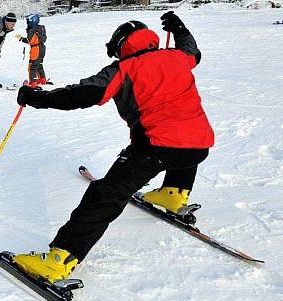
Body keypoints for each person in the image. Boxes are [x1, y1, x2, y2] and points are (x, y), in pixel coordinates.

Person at [13, 12, 214, 284]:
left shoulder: (123, 69)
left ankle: (60, 259)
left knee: (105, 195)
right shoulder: (178, 57)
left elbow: (82, 95)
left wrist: (37, 98)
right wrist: (179, 28)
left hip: (154, 149)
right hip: (200, 146)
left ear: (120, 46)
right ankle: (174, 193)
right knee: (186, 137)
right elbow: (193, 51)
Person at [15, 14, 50, 86]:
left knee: (32, 66)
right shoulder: (41, 28)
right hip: (42, 48)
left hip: (35, 49)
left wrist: (21, 38)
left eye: (28, 21)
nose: (27, 23)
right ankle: (42, 79)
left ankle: (32, 83)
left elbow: (29, 40)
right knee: (39, 64)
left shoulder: (32, 29)